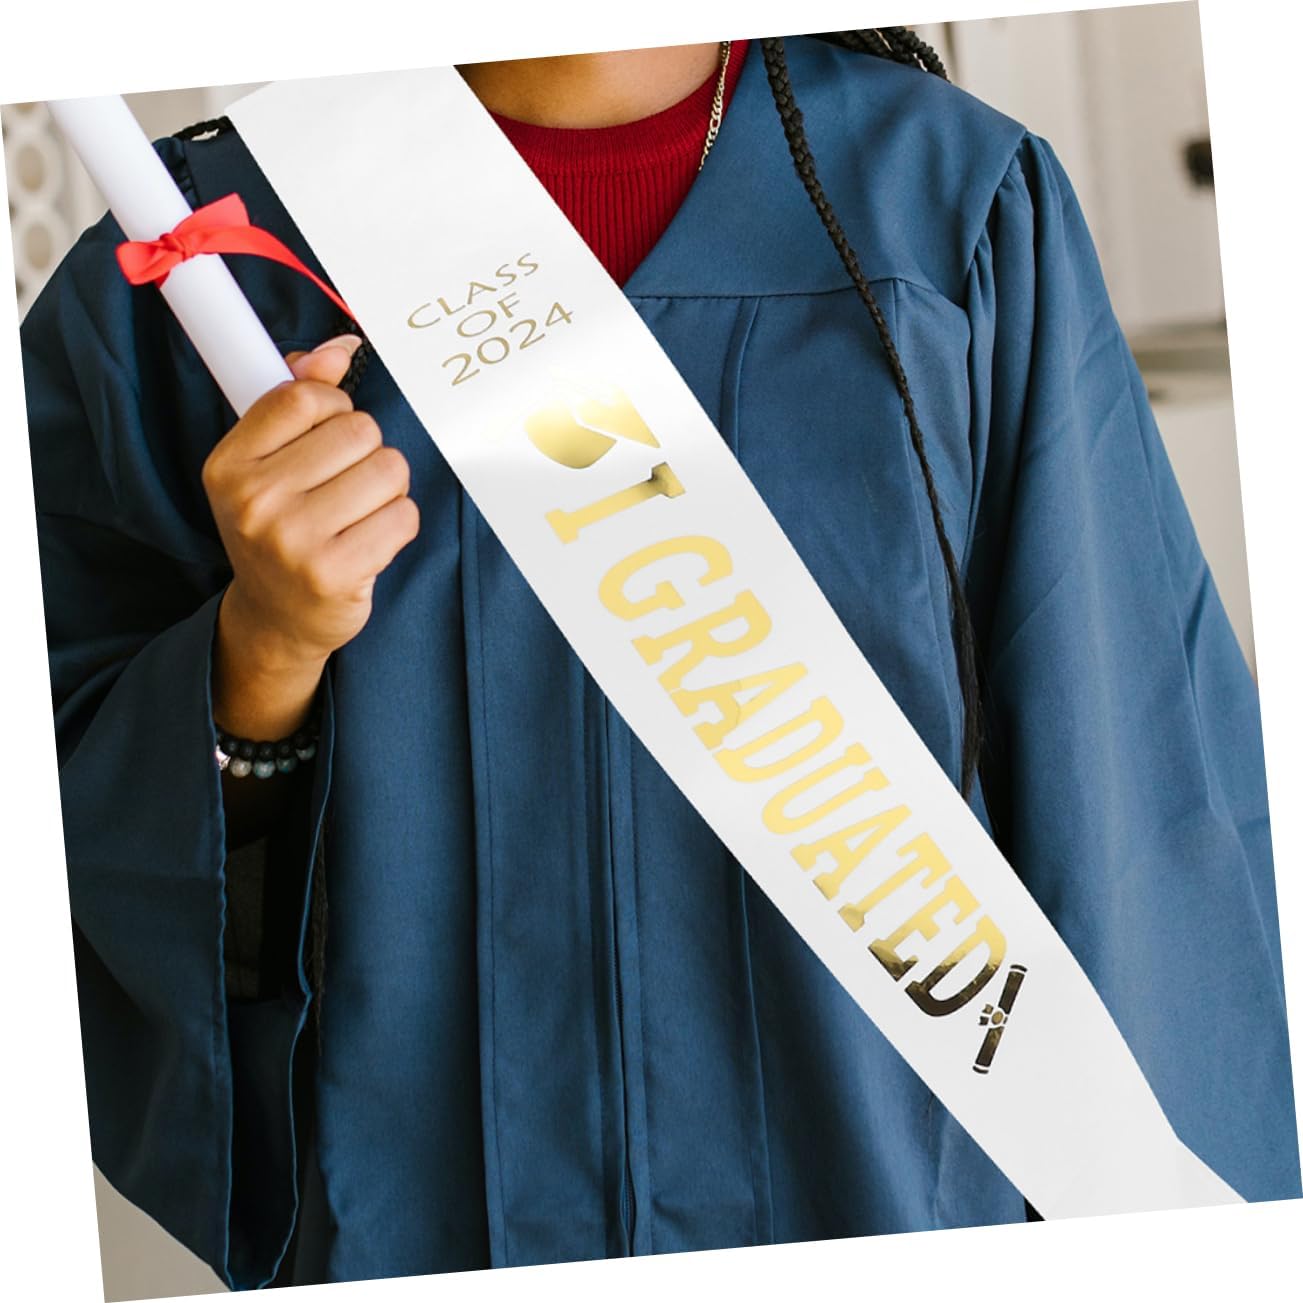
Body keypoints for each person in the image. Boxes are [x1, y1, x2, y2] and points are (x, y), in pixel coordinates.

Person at [21, 29, 1299, 1291]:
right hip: (429, 1225)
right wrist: (262, 647)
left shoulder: (944, 205)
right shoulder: (203, 262)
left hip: (898, 1211)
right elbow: (79, 867)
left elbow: (1132, 816)